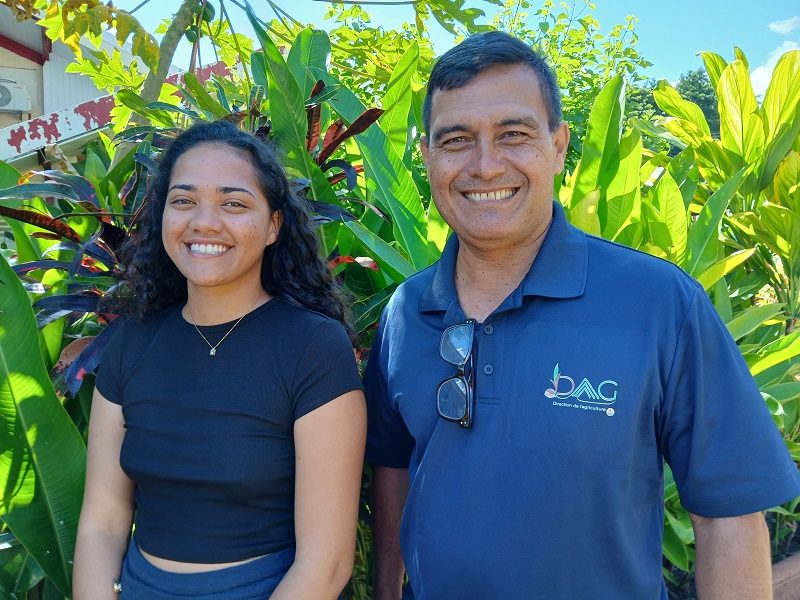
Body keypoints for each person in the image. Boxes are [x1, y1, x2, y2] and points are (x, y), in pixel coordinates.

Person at [364, 31, 800, 600]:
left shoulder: (660, 303)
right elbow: (394, 469)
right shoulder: (406, 313)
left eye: (513, 134)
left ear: (559, 145)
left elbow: (728, 516)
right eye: (456, 140)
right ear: (427, 155)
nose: (485, 165)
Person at [73, 120, 366, 599]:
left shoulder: (313, 346)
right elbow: (103, 519)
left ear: (274, 225)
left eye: (234, 203)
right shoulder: (133, 341)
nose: (204, 222)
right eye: (183, 200)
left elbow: (326, 562)